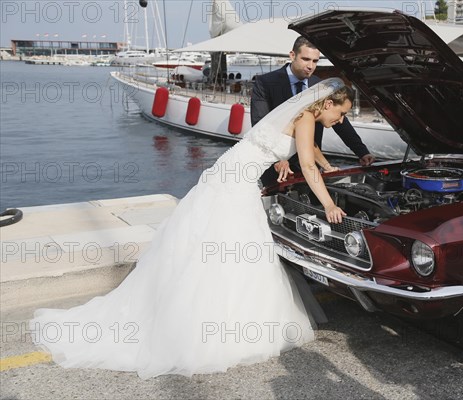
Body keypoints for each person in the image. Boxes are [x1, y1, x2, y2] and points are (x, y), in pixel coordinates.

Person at [30, 78, 352, 379]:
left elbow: (310, 152)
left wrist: (328, 166)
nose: (340, 121)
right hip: (235, 184)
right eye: (341, 114)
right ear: (326, 104)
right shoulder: (307, 119)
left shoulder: (303, 115)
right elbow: (306, 164)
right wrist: (328, 204)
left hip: (229, 175)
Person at [251, 36, 375, 185]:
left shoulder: (320, 85)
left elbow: (340, 121)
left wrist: (362, 152)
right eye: (306, 59)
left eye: (315, 61)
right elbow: (260, 124)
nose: (311, 66)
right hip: (277, 170)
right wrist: (278, 159)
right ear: (292, 55)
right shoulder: (265, 83)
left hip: (311, 166)